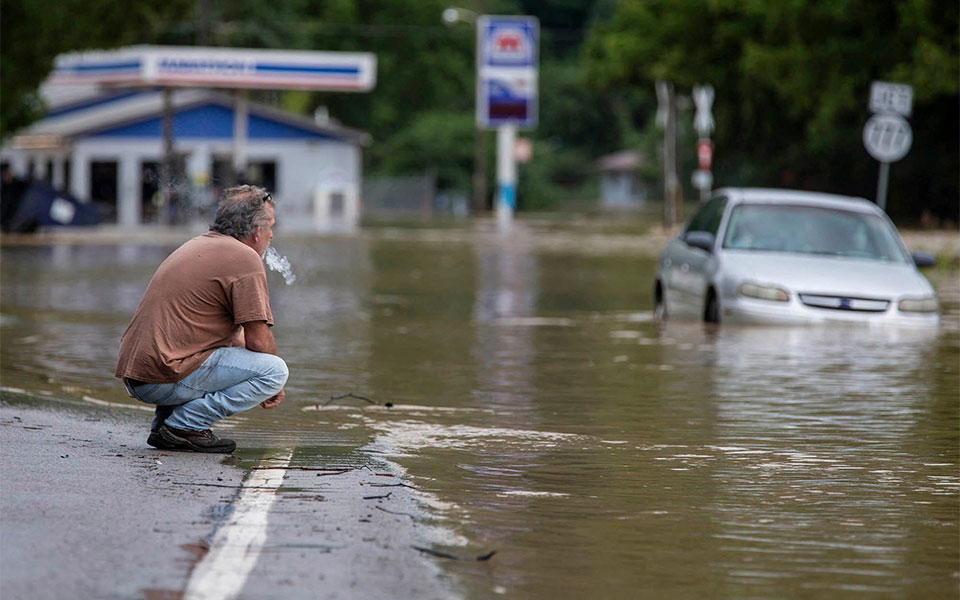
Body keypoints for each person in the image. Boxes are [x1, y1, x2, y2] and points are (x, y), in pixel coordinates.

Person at [115, 185, 288, 453]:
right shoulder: (244, 258)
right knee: (274, 370)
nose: (272, 234)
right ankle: (184, 426)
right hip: (161, 376)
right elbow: (259, 339)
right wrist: (275, 386)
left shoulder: (200, 244)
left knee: (221, 350)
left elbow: (237, 338)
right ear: (256, 232)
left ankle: (165, 427)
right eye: (270, 227)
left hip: (140, 373)